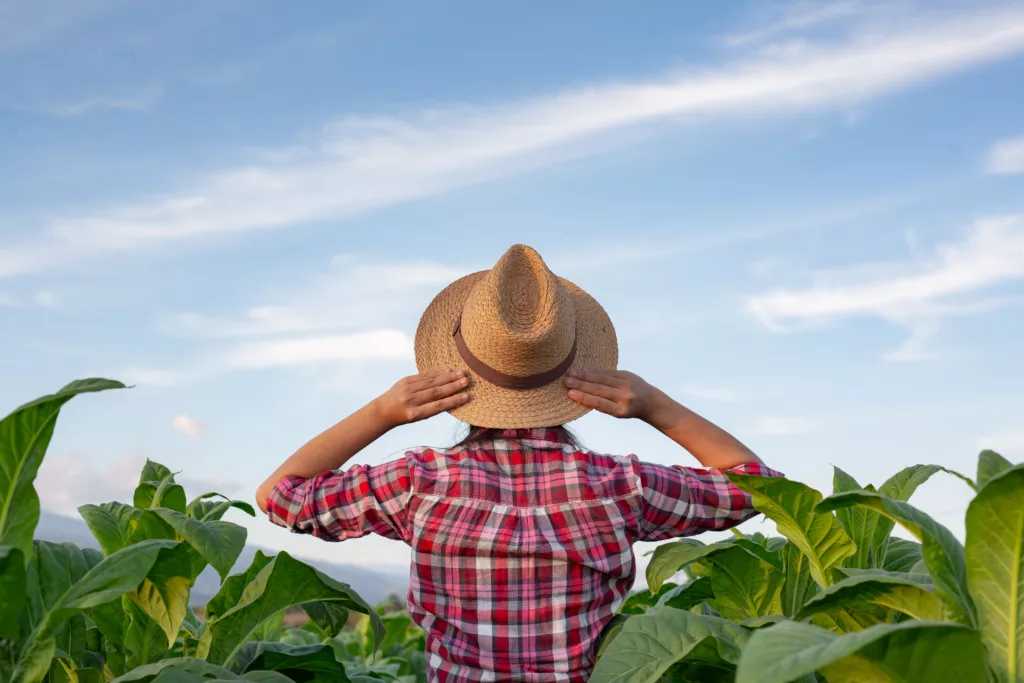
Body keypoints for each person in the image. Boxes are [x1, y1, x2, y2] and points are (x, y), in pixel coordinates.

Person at [256, 244, 781, 683]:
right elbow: (759, 488)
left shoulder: (417, 482)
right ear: (576, 374)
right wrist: (655, 405)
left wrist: (383, 412)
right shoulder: (621, 486)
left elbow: (280, 496)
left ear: (454, 376)